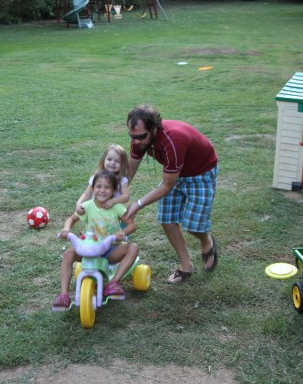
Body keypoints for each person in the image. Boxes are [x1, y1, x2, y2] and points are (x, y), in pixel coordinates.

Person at [124, 104, 218, 284]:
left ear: (154, 128)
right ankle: (186, 266)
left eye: (141, 137)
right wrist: (117, 196)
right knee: (167, 219)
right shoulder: (139, 139)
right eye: (132, 136)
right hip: (176, 172)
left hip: (201, 172)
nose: (136, 142)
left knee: (194, 225)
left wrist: (138, 203)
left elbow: (166, 186)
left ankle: (207, 243)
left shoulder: (173, 140)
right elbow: (129, 172)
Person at [53, 170, 139, 310]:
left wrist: (122, 233)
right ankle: (64, 295)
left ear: (113, 191)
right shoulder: (87, 206)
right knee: (69, 253)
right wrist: (66, 228)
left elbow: (132, 225)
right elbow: (71, 219)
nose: (102, 190)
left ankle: (113, 283)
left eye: (107, 187)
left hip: (111, 249)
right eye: (98, 186)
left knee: (133, 247)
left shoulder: (116, 207)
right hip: (89, 249)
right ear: (92, 189)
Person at [75, 144, 130, 215]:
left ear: (122, 164)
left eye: (117, 161)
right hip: (97, 212)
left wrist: (112, 201)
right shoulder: (96, 177)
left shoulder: (122, 180)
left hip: (115, 213)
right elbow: (86, 194)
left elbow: (126, 197)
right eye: (109, 159)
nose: (112, 163)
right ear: (104, 160)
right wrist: (79, 202)